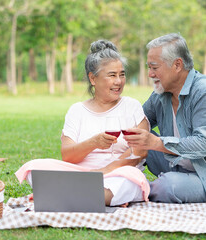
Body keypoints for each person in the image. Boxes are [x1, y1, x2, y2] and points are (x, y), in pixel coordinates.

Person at [15, 40, 150, 207]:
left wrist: (103, 172)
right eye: (112, 75)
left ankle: (60, 194)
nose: (119, 81)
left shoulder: (132, 106)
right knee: (34, 168)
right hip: (80, 175)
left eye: (122, 75)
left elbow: (139, 152)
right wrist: (93, 143)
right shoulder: (77, 110)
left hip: (118, 174)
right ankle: (94, 195)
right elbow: (68, 156)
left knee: (130, 179)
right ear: (93, 78)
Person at [123, 33, 206, 203]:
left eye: (154, 67)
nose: (150, 74)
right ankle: (114, 180)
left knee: (168, 186)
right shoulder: (161, 94)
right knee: (137, 137)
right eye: (149, 68)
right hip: (177, 167)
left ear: (177, 65)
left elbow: (204, 144)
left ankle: (132, 190)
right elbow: (136, 122)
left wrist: (155, 143)